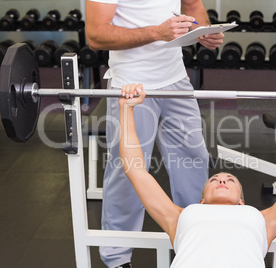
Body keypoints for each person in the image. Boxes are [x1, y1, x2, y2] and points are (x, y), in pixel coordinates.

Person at [118, 84, 276, 267]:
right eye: (214, 180)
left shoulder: (265, 220)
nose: (222, 180)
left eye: (230, 180)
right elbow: (135, 170)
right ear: (201, 201)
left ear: (242, 202)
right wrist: (126, 108)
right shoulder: (179, 217)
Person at [85, 0, 225, 267]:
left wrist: (204, 30)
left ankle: (194, 243)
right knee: (128, 170)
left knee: (193, 161)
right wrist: (156, 33)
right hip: (131, 84)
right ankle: (117, 257)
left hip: (176, 79)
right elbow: (95, 35)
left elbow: (193, 4)